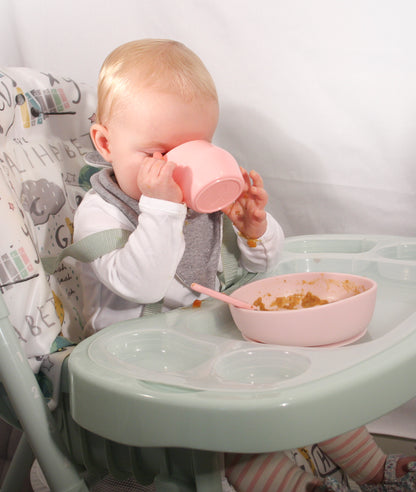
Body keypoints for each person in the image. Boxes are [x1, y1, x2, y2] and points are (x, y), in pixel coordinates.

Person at [73, 39, 416, 492]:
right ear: (105, 143)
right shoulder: (100, 212)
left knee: (308, 383)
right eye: (158, 154)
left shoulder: (195, 197)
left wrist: (253, 229)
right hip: (144, 365)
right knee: (230, 442)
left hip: (210, 340)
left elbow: (260, 263)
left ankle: (374, 470)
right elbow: (144, 285)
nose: (178, 171)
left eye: (194, 148)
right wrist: (161, 209)